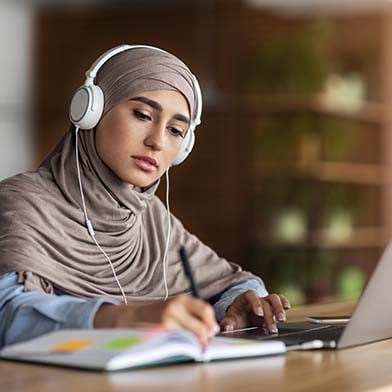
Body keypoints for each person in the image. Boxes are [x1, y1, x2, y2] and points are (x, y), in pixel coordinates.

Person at [0, 45, 290, 348]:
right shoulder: (22, 201)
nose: (157, 141)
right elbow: (7, 314)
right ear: (91, 111)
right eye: (142, 114)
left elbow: (230, 279)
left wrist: (233, 305)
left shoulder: (151, 217)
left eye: (176, 131)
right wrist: (124, 317)